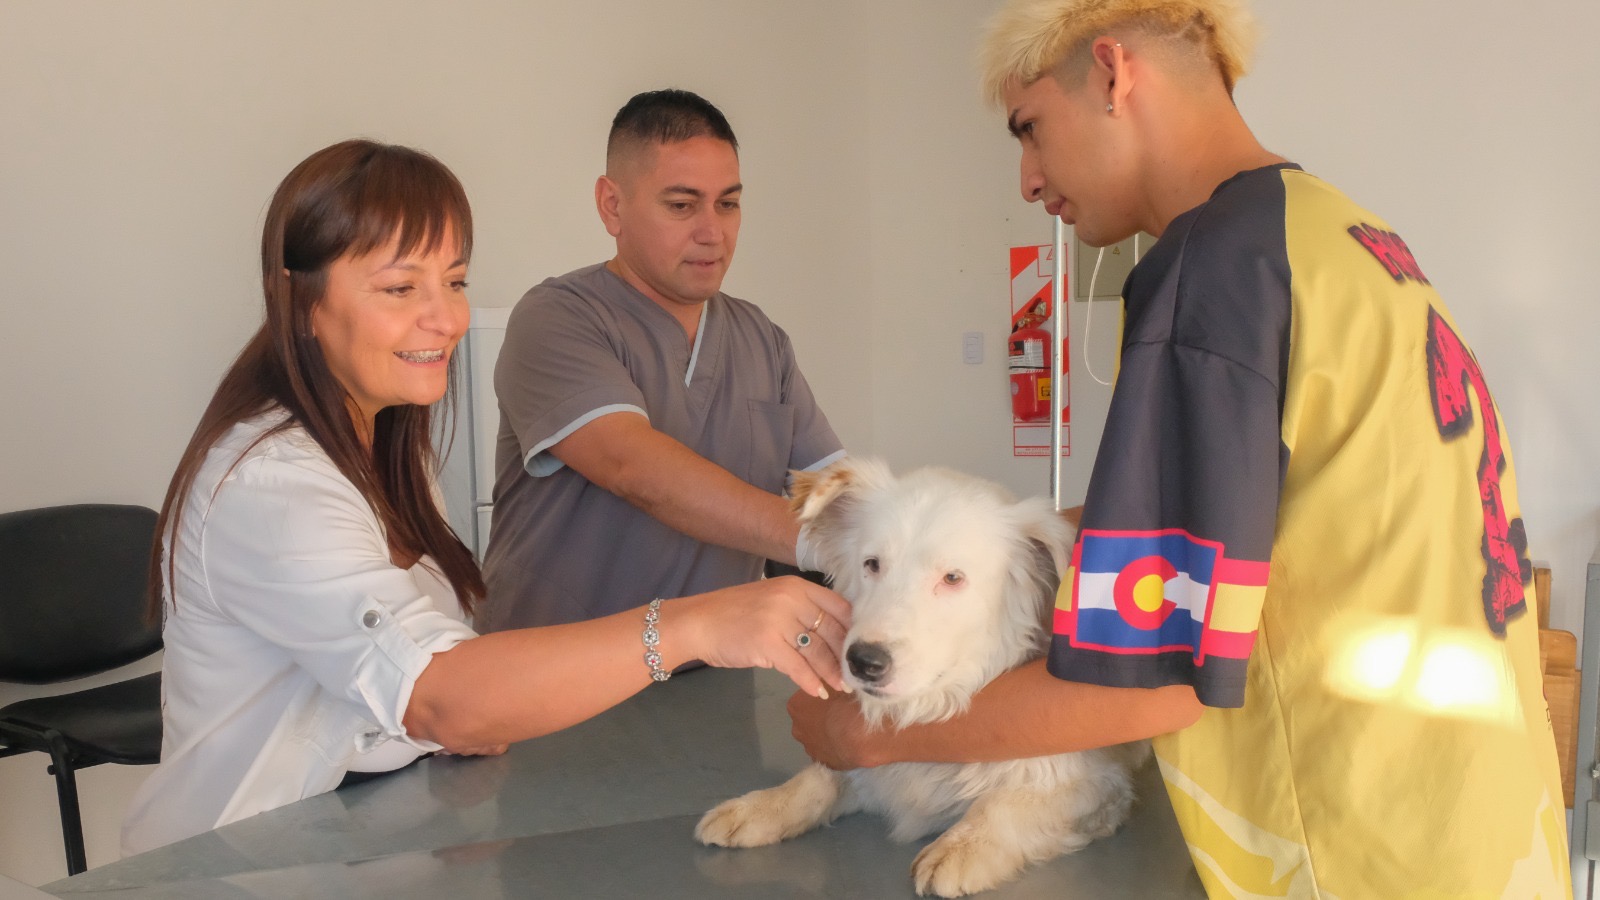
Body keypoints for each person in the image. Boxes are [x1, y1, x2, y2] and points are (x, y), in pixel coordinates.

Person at [787, 1, 1571, 896]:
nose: (1028, 179)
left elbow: (1149, 682)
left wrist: (862, 736)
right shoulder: (1336, 238)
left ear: (1114, 74)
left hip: (1353, 842)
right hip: (1478, 817)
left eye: (1030, 128)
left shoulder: (1214, 278)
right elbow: (1256, 517)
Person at [121, 139, 850, 856]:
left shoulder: (386, 449)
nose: (447, 318)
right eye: (401, 288)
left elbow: (411, 678)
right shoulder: (272, 482)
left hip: (368, 837)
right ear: (300, 300)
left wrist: (457, 720)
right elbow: (437, 692)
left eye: (455, 282)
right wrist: (697, 625)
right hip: (238, 862)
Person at [477, 89, 844, 632]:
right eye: (681, 205)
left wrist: (907, 545)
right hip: (553, 669)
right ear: (612, 205)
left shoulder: (763, 341)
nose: (712, 232)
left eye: (727, 204)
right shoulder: (557, 317)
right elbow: (634, 469)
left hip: (719, 668)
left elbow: (832, 491)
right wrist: (825, 542)